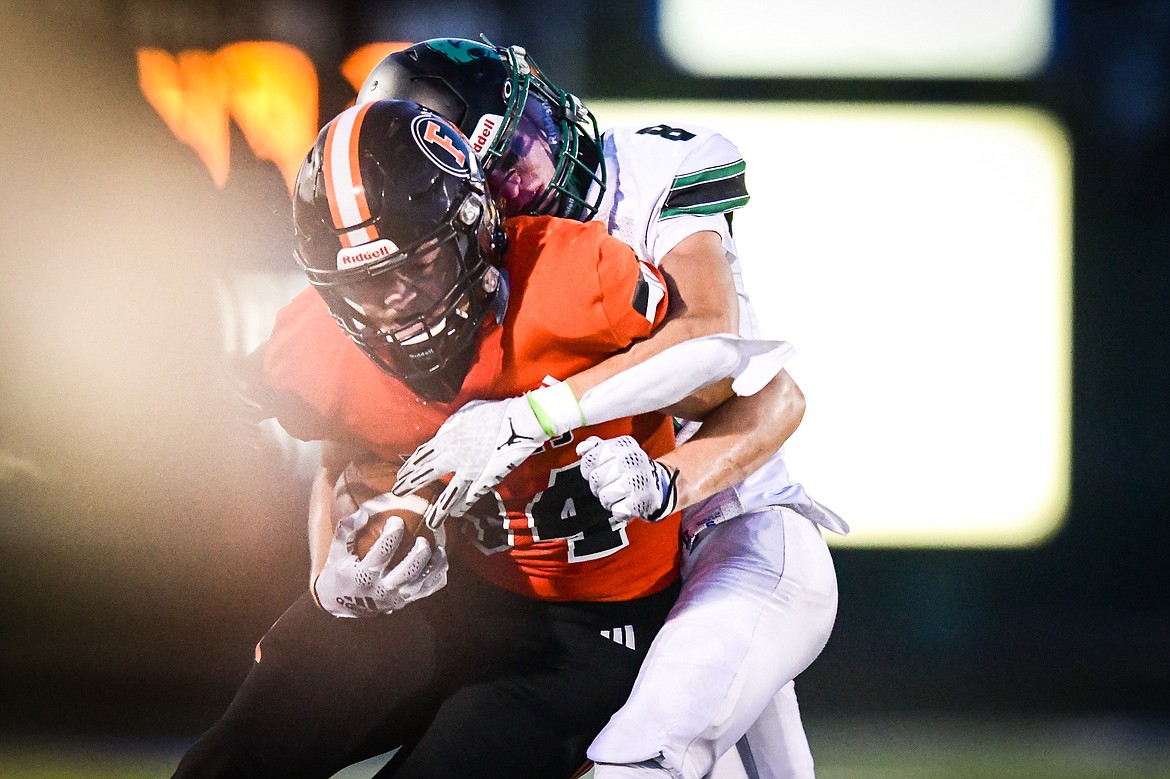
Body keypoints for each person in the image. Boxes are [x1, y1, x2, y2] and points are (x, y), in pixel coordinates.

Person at [175, 98, 798, 778]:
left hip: (586, 630)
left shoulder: (579, 276)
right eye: (369, 284)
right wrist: (337, 575)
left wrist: (649, 469)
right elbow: (339, 457)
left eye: (422, 263)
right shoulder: (314, 346)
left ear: (476, 228)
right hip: (439, 600)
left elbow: (733, 391)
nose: (402, 302)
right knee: (229, 760)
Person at [361, 38, 848, 778]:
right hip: (617, 583)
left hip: (731, 530)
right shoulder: (452, 288)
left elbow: (737, 366)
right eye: (507, 177)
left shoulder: (648, 176)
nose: (538, 171)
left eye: (530, 141)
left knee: (639, 763)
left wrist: (543, 418)